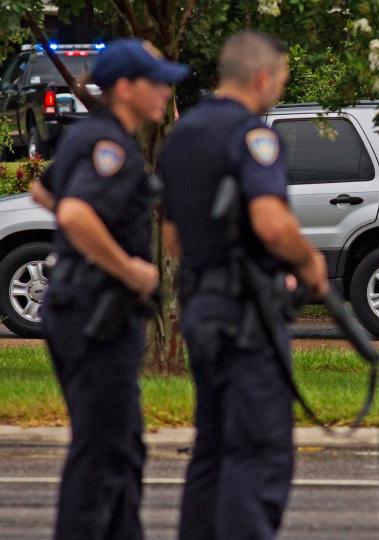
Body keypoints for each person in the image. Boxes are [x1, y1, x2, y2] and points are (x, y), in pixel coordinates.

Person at [158, 31, 328, 539]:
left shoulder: (182, 134)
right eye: (281, 78)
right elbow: (272, 222)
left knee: (212, 449)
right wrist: (309, 261)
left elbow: (172, 239)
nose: (281, 87)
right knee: (258, 453)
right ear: (261, 77)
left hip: (203, 309)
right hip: (247, 314)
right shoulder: (253, 134)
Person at [29, 39, 187, 539]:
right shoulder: (109, 147)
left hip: (84, 308)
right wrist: (128, 268)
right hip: (96, 313)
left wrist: (89, 243)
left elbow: (44, 192)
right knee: (101, 453)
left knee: (122, 447)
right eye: (156, 82)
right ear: (124, 89)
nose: (166, 91)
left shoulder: (92, 136)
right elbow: (74, 211)